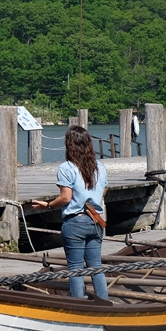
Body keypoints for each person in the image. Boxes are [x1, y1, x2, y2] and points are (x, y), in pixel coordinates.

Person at [32, 125, 109, 300]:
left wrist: (48, 205)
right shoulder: (99, 167)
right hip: (96, 221)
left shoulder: (66, 168)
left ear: (69, 145)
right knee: (96, 266)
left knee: (75, 269)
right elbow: (104, 191)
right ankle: (105, 302)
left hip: (75, 221)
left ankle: (77, 304)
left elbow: (66, 198)